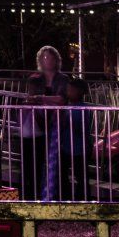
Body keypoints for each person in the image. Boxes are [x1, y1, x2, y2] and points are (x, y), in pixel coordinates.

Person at [20, 45, 70, 200]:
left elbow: (62, 99)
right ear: (40, 60)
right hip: (38, 123)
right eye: (45, 57)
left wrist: (41, 98)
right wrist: (46, 99)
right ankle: (32, 196)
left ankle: (58, 196)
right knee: (34, 162)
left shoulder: (63, 79)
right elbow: (31, 97)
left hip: (57, 125)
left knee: (58, 163)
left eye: (50, 57)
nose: (47, 60)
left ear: (56, 60)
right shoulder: (34, 79)